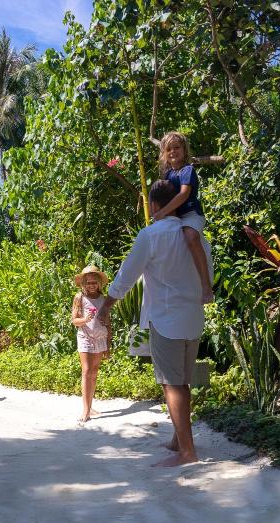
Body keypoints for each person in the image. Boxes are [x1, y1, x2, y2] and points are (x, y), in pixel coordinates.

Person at [98, 180, 209, 466]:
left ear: (155, 205)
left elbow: (126, 276)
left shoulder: (152, 235)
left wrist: (106, 307)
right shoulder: (195, 235)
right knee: (182, 382)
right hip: (193, 318)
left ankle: (187, 453)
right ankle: (178, 440)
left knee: (172, 384)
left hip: (166, 320)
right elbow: (207, 272)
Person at [154, 131, 214, 304]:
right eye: (169, 149)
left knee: (190, 235)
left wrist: (162, 212)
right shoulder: (167, 175)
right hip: (174, 218)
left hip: (190, 215)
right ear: (164, 153)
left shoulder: (187, 170)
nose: (173, 151)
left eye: (177, 147)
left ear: (184, 150)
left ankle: (206, 286)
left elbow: (183, 194)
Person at [71, 266, 112, 423]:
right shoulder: (79, 297)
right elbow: (75, 321)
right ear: (83, 283)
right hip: (85, 337)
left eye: (94, 282)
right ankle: (86, 410)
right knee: (87, 371)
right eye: (88, 282)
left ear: (99, 283)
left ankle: (90, 405)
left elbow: (108, 323)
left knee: (94, 372)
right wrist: (85, 319)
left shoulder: (103, 299)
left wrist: (108, 344)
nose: (91, 285)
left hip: (100, 337)